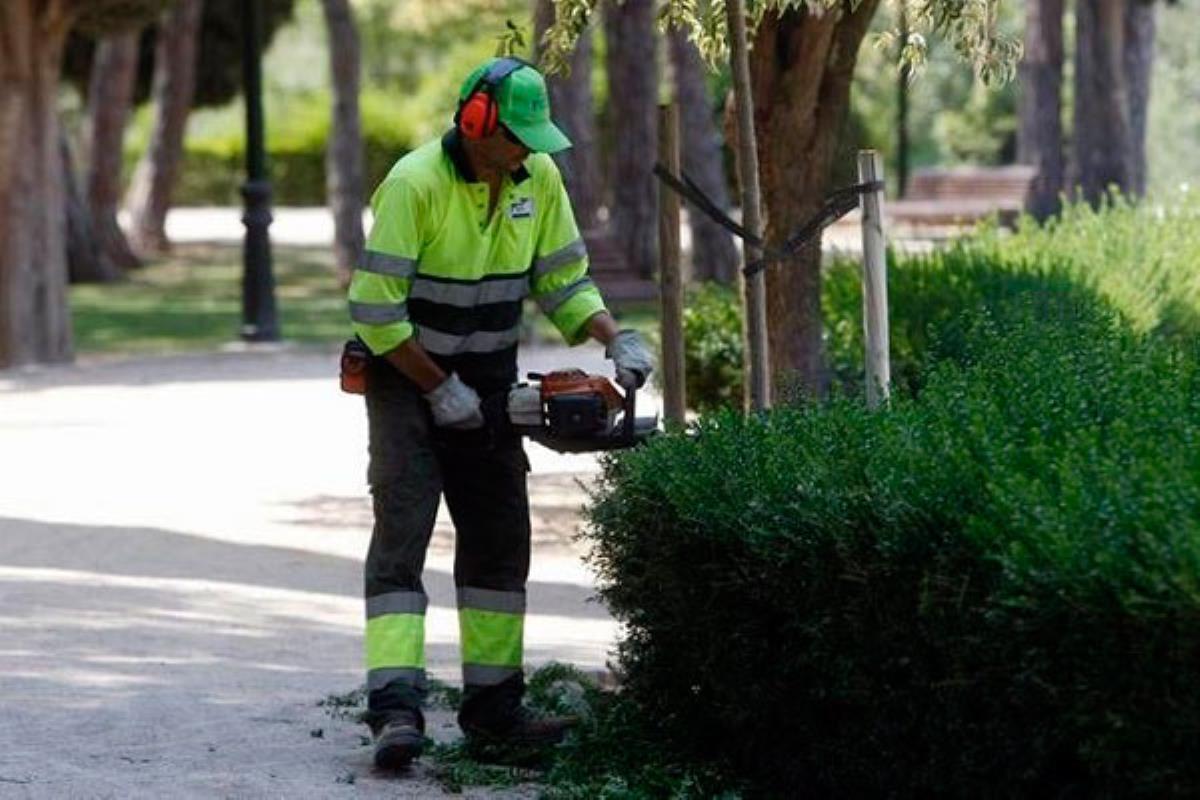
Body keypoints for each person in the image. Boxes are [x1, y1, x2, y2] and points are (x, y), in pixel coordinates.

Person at [346, 56, 654, 770]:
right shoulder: (415, 183)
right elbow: (375, 313)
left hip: (488, 380)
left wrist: (614, 334)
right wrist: (434, 388)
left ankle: (494, 711)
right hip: (404, 379)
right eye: (513, 136)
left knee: (498, 541)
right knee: (404, 533)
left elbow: (562, 278)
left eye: (532, 138)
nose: (525, 151)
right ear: (475, 119)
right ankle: (395, 712)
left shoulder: (537, 178)